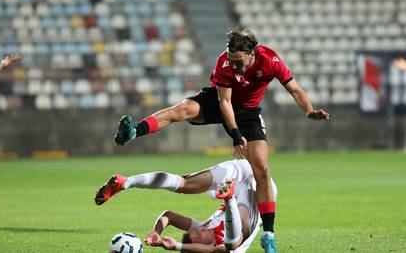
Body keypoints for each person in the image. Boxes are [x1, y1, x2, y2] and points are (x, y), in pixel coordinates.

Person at [113, 26, 329, 252]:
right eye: (231, 61)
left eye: (239, 62)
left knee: (262, 169)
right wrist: (236, 135)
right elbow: (224, 103)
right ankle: (134, 131)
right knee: (184, 109)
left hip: (248, 111)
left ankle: (268, 234)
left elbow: (294, 89)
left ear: (253, 53)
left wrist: (308, 110)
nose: (234, 66)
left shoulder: (270, 60)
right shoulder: (224, 63)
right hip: (220, 102)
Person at [95, 158, 278, 252]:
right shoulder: (217, 246)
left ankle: (126, 182)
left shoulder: (204, 227)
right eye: (199, 235)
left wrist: (157, 231)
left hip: (237, 174)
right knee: (233, 244)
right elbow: (215, 251)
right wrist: (179, 248)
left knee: (183, 183)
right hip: (262, 191)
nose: (200, 230)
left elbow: (169, 216)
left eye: (196, 232)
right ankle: (228, 199)